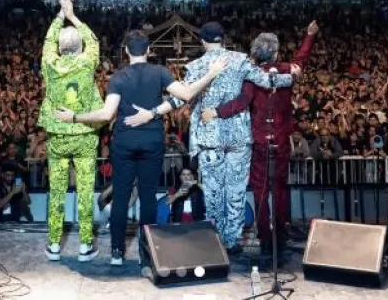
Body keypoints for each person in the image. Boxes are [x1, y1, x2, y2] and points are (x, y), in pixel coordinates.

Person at [56, 29, 228, 265]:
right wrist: (212, 73)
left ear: (126, 51)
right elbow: (187, 94)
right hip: (151, 141)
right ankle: (147, 254)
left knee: (121, 194)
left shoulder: (118, 76)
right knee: (147, 196)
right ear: (148, 50)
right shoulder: (160, 72)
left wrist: (74, 117)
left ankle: (117, 252)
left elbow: (106, 114)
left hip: (124, 142)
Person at [128, 21, 296, 255]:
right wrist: (291, 76)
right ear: (223, 38)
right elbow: (268, 81)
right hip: (238, 138)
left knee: (214, 192)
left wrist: (153, 112)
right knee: (236, 191)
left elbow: (180, 99)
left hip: (210, 139)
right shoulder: (241, 60)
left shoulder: (197, 66)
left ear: (203, 41)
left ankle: (216, 239)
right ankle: (233, 240)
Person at [200, 21, 317, 257]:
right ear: (275, 51)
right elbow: (301, 59)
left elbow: (241, 102)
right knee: (281, 190)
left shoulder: (251, 74)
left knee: (261, 192)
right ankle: (280, 241)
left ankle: (265, 240)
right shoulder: (287, 69)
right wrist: (309, 36)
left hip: (259, 143)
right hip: (282, 141)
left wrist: (216, 112)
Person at [37, 0, 103, 262]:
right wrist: (73, 15)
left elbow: (47, 42)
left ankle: (54, 245)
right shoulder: (87, 62)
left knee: (57, 190)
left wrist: (59, 16)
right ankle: (85, 246)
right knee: (85, 190)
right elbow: (94, 40)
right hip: (85, 133)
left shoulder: (50, 64)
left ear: (60, 47)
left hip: (58, 136)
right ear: (80, 47)